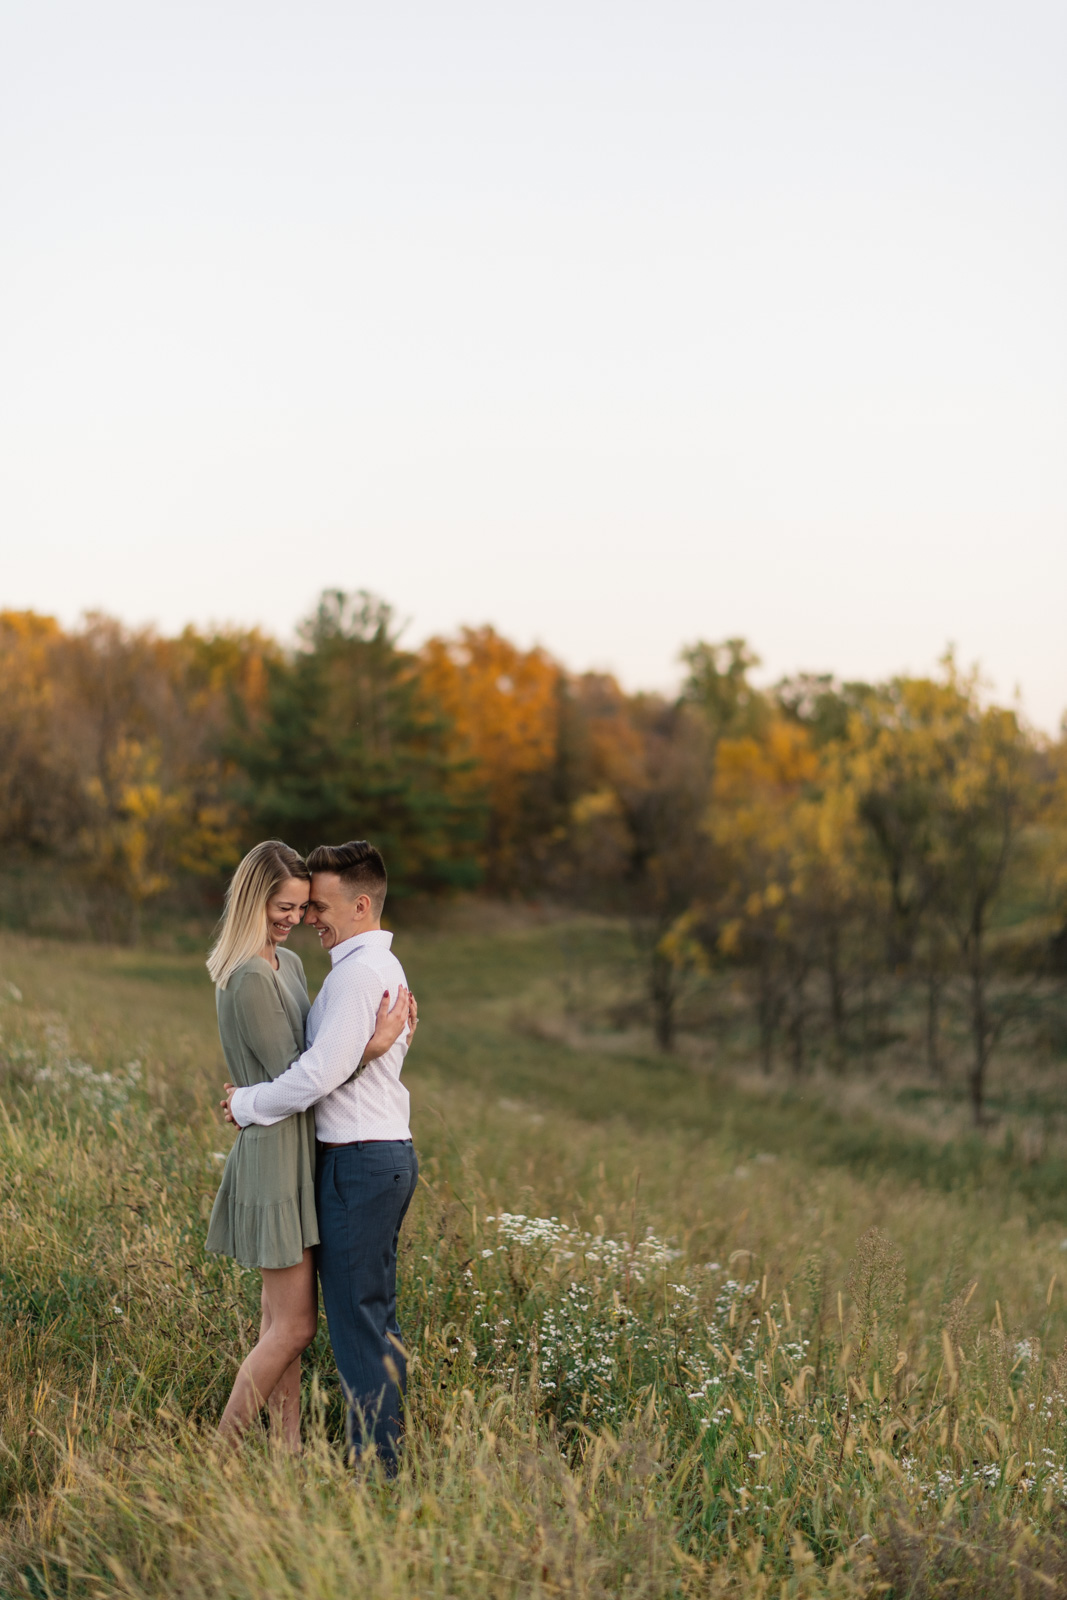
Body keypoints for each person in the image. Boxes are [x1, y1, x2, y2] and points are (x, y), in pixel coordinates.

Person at [205, 840, 413, 1451]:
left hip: (313, 1148)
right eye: (285, 906)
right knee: (290, 1327)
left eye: (305, 906)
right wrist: (369, 1050)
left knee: (288, 1325)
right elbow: (305, 1070)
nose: (297, 918)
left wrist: (371, 1049)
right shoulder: (247, 977)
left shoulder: (295, 967)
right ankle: (226, 1453)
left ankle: (294, 1451)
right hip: (278, 1154)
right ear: (252, 900)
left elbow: (312, 1069)